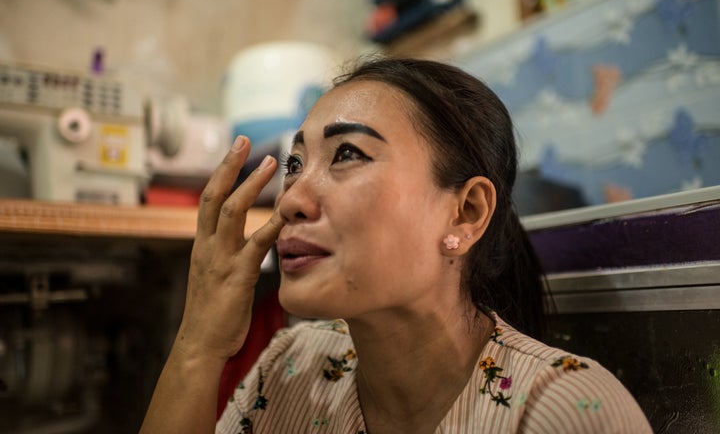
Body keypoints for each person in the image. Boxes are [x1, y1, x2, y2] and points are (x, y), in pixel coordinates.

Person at [140, 58, 652, 433]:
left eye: (346, 153)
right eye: (294, 165)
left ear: (465, 213)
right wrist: (199, 345)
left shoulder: (565, 411)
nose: (292, 199)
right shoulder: (290, 367)